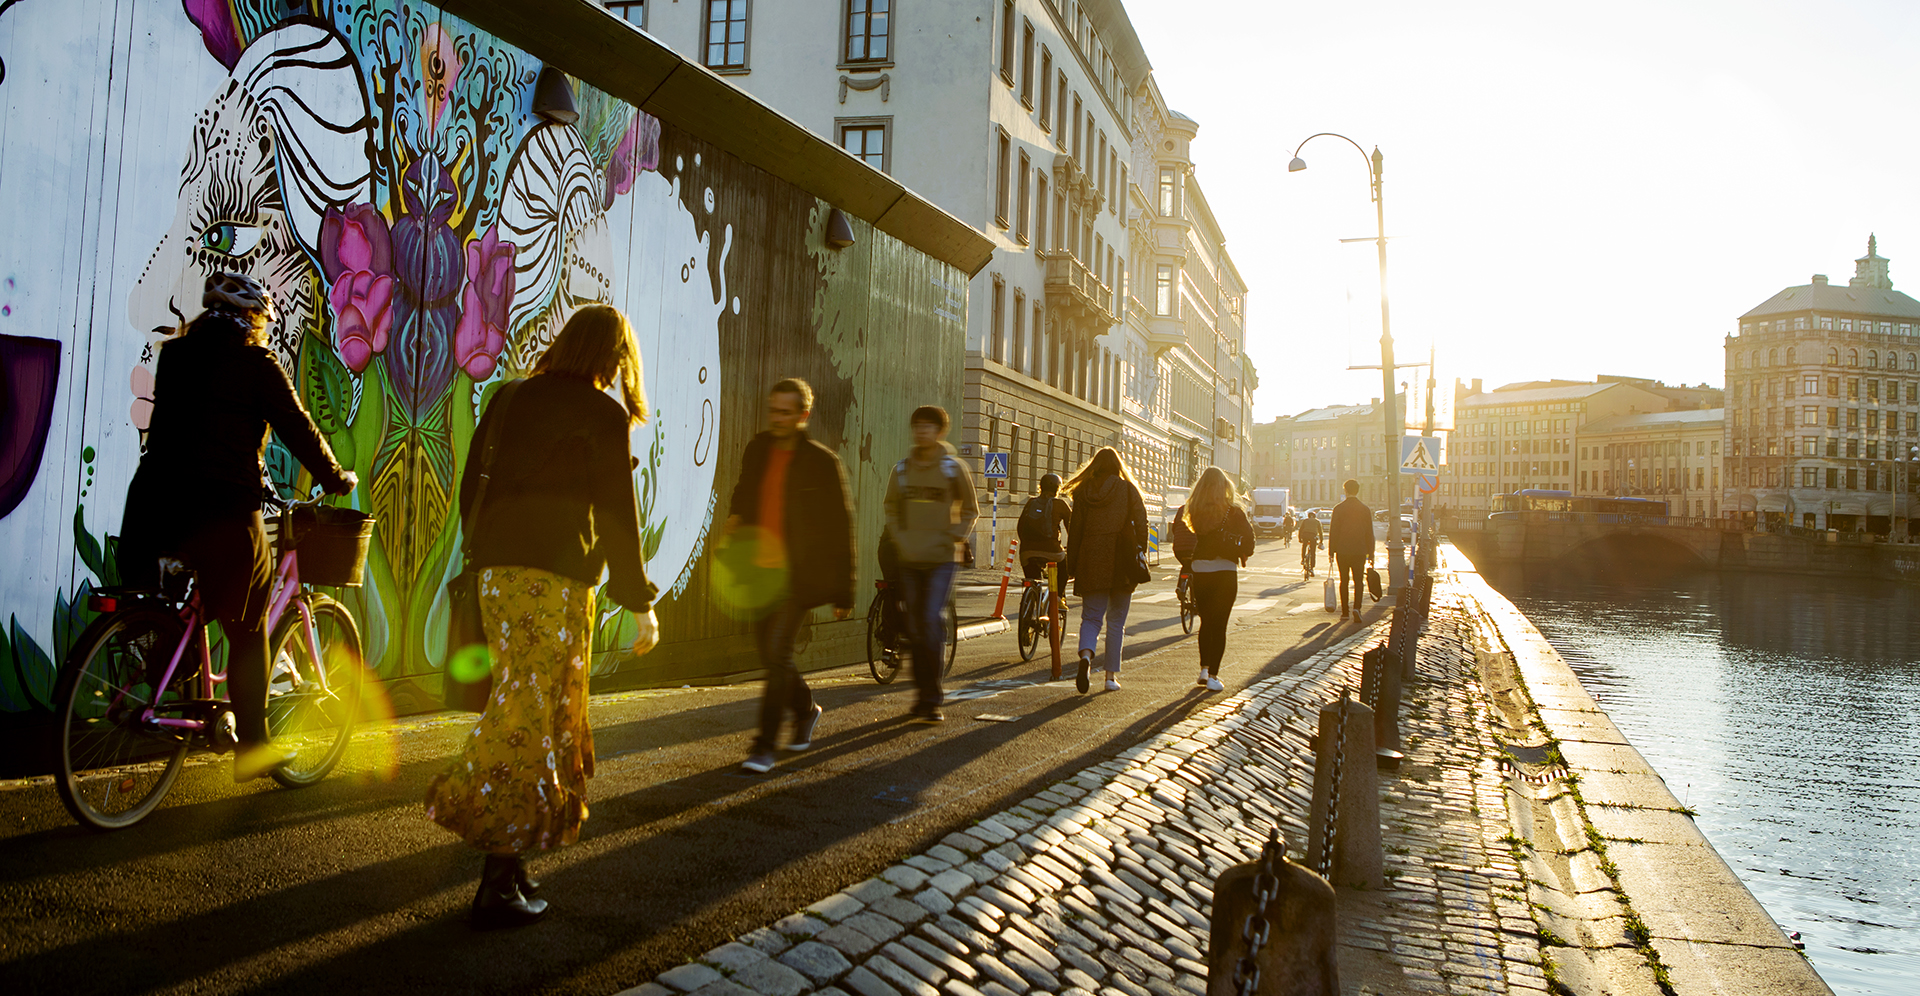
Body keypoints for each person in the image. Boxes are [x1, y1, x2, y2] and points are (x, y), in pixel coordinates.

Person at [424, 304, 660, 929]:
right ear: (613, 357)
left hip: (498, 577)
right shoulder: (603, 415)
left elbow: (472, 485)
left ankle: (513, 856)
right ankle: (496, 874)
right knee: (531, 713)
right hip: (552, 587)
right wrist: (640, 604)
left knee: (531, 705)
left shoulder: (508, 398)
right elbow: (616, 513)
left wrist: (489, 554)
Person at [116, 272, 356, 785]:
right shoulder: (256, 363)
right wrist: (336, 477)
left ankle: (163, 687)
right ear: (254, 320)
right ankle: (253, 746)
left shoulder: (174, 355)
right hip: (225, 509)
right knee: (248, 625)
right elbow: (299, 428)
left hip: (156, 507)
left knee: (193, 606)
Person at [723, 378, 855, 774]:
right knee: (771, 653)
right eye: (773, 410)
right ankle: (806, 708)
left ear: (803, 415)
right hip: (758, 572)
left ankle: (763, 746)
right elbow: (745, 491)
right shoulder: (758, 448)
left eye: (786, 412)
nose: (777, 418)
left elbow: (840, 525)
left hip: (797, 577)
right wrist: (732, 524)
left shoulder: (821, 461)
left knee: (777, 652)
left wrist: (844, 590)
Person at [882, 405, 979, 722]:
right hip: (910, 557)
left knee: (928, 618)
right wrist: (899, 537)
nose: (922, 431)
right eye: (917, 426)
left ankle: (931, 699)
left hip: (940, 559)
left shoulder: (953, 469)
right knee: (914, 626)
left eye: (928, 426)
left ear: (940, 431)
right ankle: (922, 696)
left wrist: (952, 537)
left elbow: (971, 510)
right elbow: (892, 508)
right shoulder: (902, 470)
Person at [1061, 446, 1149, 694]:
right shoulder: (1128, 490)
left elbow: (1074, 531)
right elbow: (1142, 524)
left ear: (1095, 466)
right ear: (1117, 466)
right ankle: (1110, 677)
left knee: (1090, 618)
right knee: (1116, 621)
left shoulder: (1083, 493)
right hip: (1122, 562)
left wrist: (1072, 565)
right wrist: (1139, 550)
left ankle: (1086, 658)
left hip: (1091, 560)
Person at [1180, 467, 1255, 693]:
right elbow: (1250, 544)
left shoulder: (1195, 509)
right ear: (1225, 486)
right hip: (1225, 570)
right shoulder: (1234, 512)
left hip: (1201, 569)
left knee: (1206, 622)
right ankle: (1213, 675)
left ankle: (1203, 669)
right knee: (1219, 625)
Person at [1328, 479, 1373, 621]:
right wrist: (1371, 553)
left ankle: (1345, 612)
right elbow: (1369, 533)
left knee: (1344, 580)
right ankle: (1357, 608)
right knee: (1359, 580)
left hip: (1342, 550)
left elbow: (1333, 531)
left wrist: (1331, 551)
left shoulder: (1338, 508)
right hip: (1359, 550)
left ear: (1345, 490)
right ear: (1357, 491)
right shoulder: (1365, 509)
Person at [1015, 472, 1072, 583]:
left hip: (1027, 552)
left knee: (1032, 581)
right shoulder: (1060, 504)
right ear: (1058, 489)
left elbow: (1020, 527)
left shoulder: (1031, 502)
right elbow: (1072, 528)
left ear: (1040, 487)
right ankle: (1059, 596)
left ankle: (1030, 596)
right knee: (1064, 564)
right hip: (1052, 550)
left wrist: (1028, 544)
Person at [1297, 511, 1322, 578]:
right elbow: (1320, 532)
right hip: (1313, 537)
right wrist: (1321, 541)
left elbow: (1301, 529)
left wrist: (1300, 538)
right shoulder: (1317, 521)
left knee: (1304, 546)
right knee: (1313, 552)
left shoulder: (1305, 521)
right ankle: (1312, 567)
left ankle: (1303, 559)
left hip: (1305, 535)